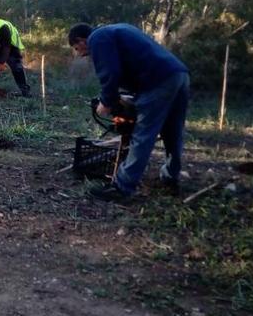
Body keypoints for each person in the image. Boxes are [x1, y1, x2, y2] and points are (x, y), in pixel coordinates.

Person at [68, 22, 190, 201]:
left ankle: (122, 187)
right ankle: (171, 175)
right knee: (172, 131)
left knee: (143, 134)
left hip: (158, 81)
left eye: (77, 48)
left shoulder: (97, 38)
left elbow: (110, 72)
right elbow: (131, 64)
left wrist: (106, 102)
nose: (80, 54)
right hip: (179, 75)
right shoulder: (116, 30)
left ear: (81, 40)